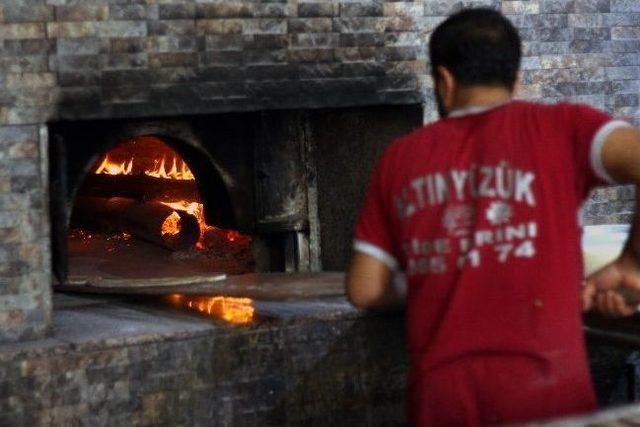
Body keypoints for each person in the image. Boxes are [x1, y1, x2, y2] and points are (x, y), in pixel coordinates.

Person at [345, 7, 640, 426]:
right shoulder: (562, 127)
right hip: (549, 394)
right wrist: (632, 261)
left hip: (442, 401)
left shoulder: (400, 157)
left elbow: (364, 288)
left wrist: (445, 272)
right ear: (516, 79)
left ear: (444, 82)